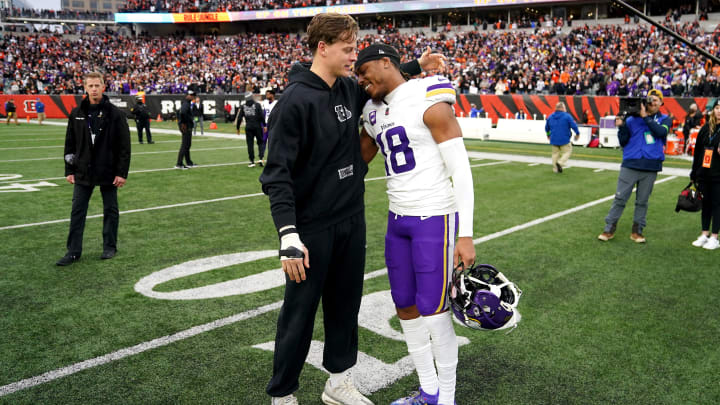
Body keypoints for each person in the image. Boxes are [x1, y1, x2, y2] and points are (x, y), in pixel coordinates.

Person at [258, 13, 445, 405]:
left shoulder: (347, 88)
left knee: (346, 306)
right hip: (310, 228)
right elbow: (276, 175)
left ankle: (338, 382)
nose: (352, 57)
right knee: (299, 313)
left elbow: (382, 81)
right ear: (322, 48)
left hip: (350, 220)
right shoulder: (292, 102)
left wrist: (419, 65)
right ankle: (283, 395)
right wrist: (288, 234)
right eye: (346, 49)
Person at [356, 43, 475, 405]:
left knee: (434, 311)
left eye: (364, 72)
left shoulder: (429, 94)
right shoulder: (371, 111)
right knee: (404, 304)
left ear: (384, 62)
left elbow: (460, 169)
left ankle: (447, 399)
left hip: (434, 217)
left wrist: (465, 233)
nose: (360, 81)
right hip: (398, 219)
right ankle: (428, 391)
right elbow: (358, 159)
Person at [56, 71, 131, 266]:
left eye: (97, 85)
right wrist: (69, 170)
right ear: (85, 88)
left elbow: (124, 147)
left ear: (103, 87)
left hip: (108, 169)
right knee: (77, 211)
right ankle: (73, 251)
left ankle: (109, 247)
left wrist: (121, 173)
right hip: (83, 170)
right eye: (90, 86)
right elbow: (69, 144)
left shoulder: (116, 114)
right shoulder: (76, 113)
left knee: (110, 209)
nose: (94, 89)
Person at [598, 89, 671, 243]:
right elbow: (623, 141)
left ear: (661, 103)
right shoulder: (631, 119)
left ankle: (637, 230)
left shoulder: (665, 119)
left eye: (656, 100)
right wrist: (621, 126)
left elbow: (660, 133)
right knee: (620, 198)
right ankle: (609, 227)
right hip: (631, 163)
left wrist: (645, 117)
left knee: (642, 201)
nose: (652, 102)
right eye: (650, 99)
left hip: (650, 165)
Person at [689, 98, 720, 250]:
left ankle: (715, 237)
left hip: (718, 174)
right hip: (704, 173)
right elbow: (698, 153)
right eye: (717, 108)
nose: (719, 111)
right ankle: (704, 234)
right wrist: (694, 172)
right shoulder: (705, 128)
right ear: (713, 110)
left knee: (717, 205)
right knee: (706, 204)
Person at [545, 102, 579, 173]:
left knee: (555, 154)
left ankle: (555, 169)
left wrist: (548, 135)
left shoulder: (550, 116)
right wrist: (577, 133)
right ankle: (560, 163)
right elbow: (574, 125)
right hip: (564, 139)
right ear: (562, 108)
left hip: (553, 138)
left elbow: (546, 128)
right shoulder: (567, 116)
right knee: (568, 151)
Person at [236, 93, 265, 167]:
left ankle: (252, 162)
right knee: (260, 142)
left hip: (248, 127)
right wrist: (264, 125)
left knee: (250, 144)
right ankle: (261, 158)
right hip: (257, 126)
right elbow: (261, 116)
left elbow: (239, 118)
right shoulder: (257, 105)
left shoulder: (243, 106)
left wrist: (238, 128)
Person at [176, 90, 196, 169]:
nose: (192, 97)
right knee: (185, 145)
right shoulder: (186, 104)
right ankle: (179, 163)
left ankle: (188, 162)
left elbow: (179, 113)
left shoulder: (186, 103)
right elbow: (183, 113)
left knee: (187, 145)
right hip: (186, 126)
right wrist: (184, 122)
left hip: (186, 125)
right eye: (191, 95)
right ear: (188, 95)